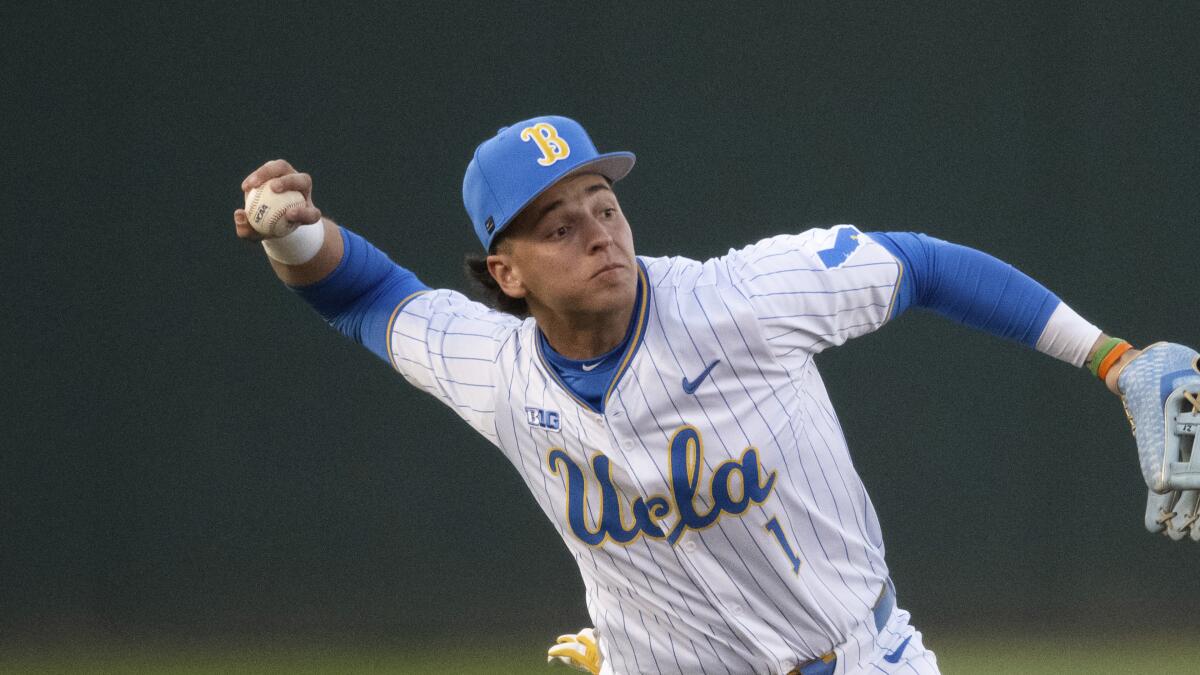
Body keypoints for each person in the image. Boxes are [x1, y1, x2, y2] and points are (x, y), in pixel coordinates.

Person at [233, 116, 1198, 675]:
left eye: (605, 206)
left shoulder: (740, 300)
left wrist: (1112, 358)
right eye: (558, 226)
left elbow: (924, 265)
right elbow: (366, 294)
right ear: (507, 272)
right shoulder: (497, 370)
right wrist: (291, 233)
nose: (600, 232)